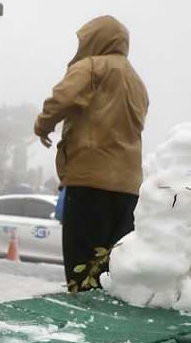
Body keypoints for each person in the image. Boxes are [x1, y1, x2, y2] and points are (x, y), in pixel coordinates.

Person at [34, 15, 148, 290]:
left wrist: (42, 125)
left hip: (89, 180)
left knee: (81, 266)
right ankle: (109, 328)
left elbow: (62, 98)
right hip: (129, 188)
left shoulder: (92, 66)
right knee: (111, 269)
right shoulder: (137, 81)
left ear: (96, 39)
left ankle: (82, 324)